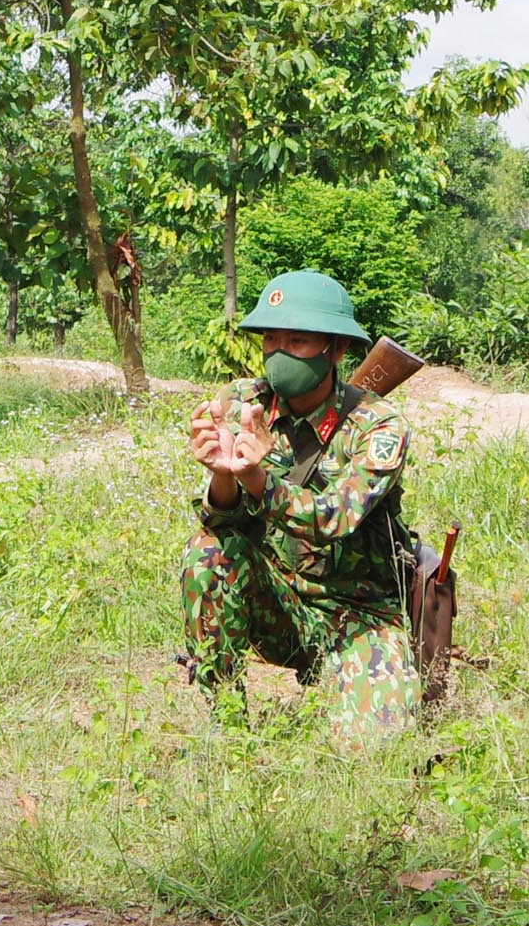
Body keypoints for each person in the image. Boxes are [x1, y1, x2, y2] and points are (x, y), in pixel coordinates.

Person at [179, 270, 419, 735]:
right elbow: (222, 521)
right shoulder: (241, 403)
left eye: (299, 340)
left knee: (374, 751)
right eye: (271, 337)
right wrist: (223, 474)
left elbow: (334, 518)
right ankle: (227, 725)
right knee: (206, 553)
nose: (279, 352)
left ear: (337, 349)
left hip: (358, 610)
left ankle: (348, 674)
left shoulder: (378, 425)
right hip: (278, 601)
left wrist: (258, 478)